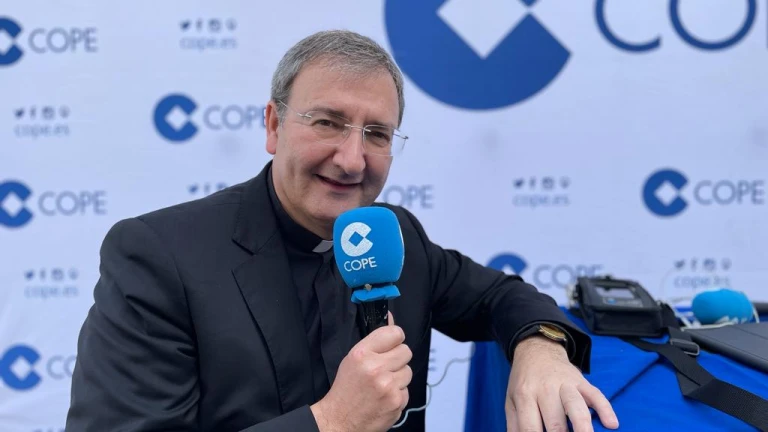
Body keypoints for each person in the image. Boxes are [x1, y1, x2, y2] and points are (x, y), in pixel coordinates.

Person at [66, 30, 619, 432]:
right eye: (328, 122)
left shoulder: (396, 236)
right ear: (274, 125)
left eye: (377, 134)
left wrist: (542, 348)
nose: (352, 160)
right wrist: (331, 422)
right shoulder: (159, 255)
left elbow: (501, 296)